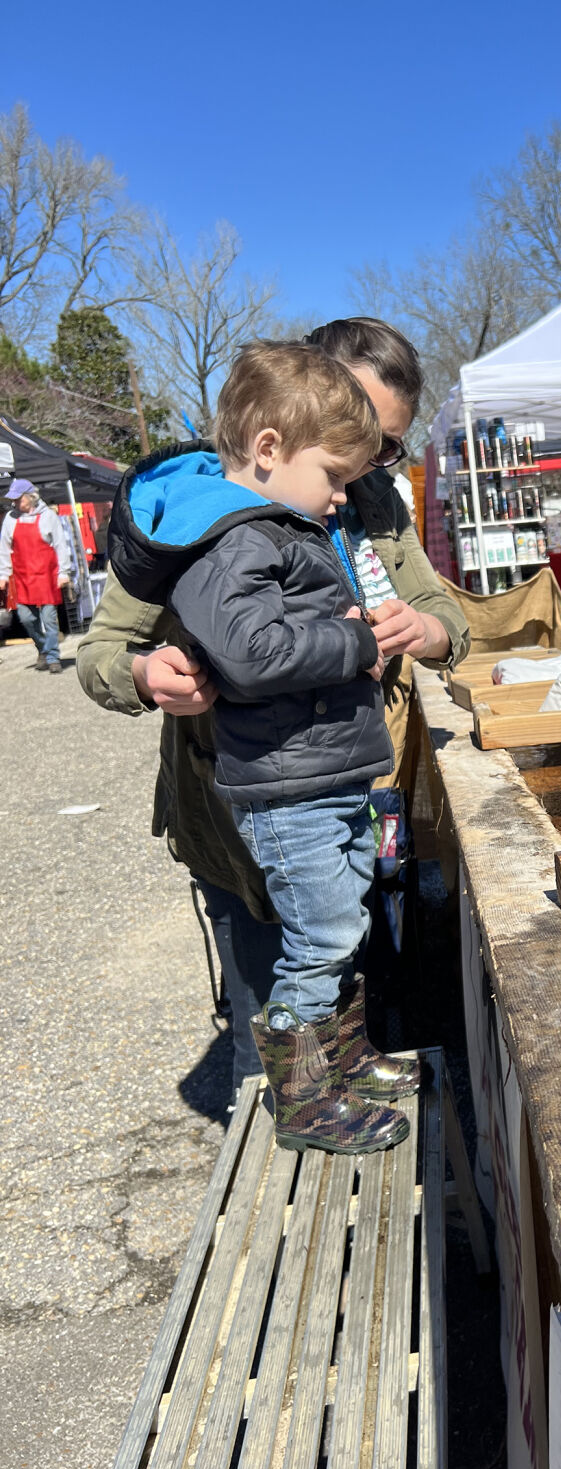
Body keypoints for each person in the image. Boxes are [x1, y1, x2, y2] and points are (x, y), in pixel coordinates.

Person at [77, 319, 469, 1095]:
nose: (366, 460)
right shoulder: (199, 510)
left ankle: (337, 1097)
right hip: (244, 814)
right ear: (294, 410)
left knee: (341, 957)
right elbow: (100, 654)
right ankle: (298, 1120)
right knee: (273, 1027)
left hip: (348, 782)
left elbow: (446, 618)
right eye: (354, 434)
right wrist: (147, 674)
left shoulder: (374, 501)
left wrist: (424, 631)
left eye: (385, 446)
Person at [0, 480, 74, 672]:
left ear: (31, 497)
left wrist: (64, 572)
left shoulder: (48, 516)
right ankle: (43, 648)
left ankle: (53, 657)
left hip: (46, 577)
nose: (15, 502)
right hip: (22, 577)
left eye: (19, 499)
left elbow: (60, 545)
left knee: (49, 619)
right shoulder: (10, 519)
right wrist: (3, 575)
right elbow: (4, 549)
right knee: (26, 618)